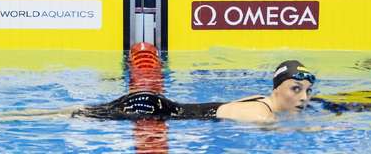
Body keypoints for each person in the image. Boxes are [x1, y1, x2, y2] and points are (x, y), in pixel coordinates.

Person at [76, 59, 315, 122]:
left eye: (308, 91)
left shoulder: (259, 100)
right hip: (152, 110)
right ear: (276, 89)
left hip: (156, 104)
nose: (303, 98)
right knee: (79, 115)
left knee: (81, 112)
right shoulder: (262, 115)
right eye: (295, 89)